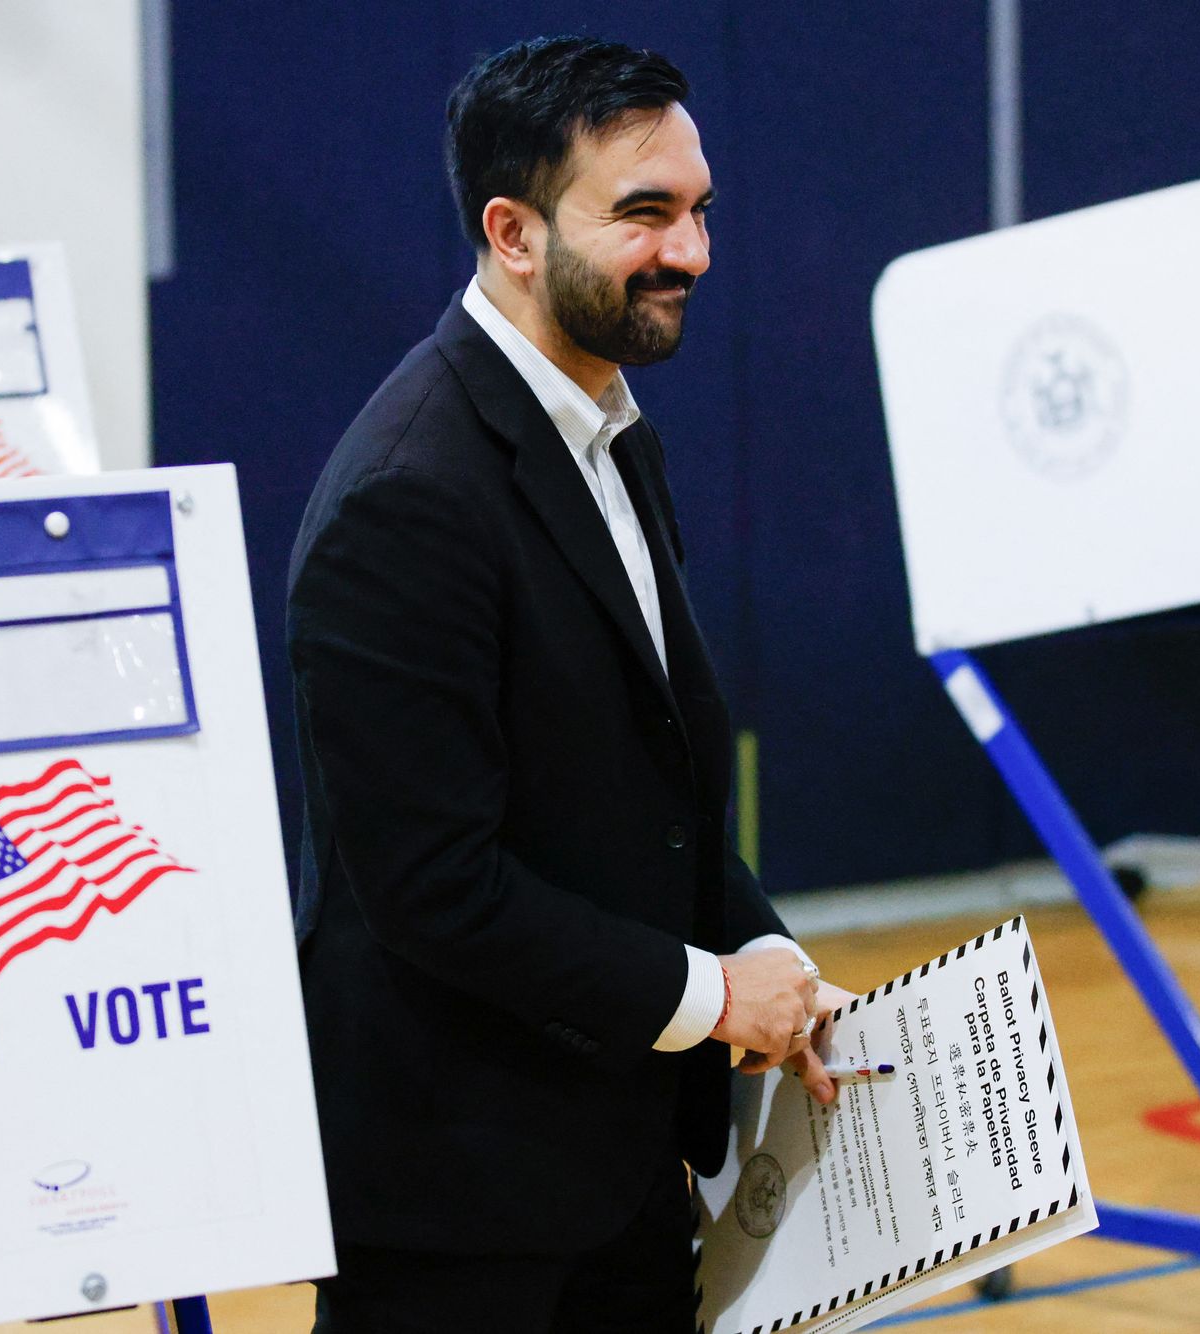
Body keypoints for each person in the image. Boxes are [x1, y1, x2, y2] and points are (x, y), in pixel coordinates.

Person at [286, 35, 855, 1332]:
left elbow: (653, 785)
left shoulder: (610, 431)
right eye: (643, 215)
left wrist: (759, 939)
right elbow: (435, 886)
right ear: (514, 232)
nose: (693, 253)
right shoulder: (407, 497)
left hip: (615, 1170)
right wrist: (716, 997)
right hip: (458, 1206)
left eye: (701, 210)